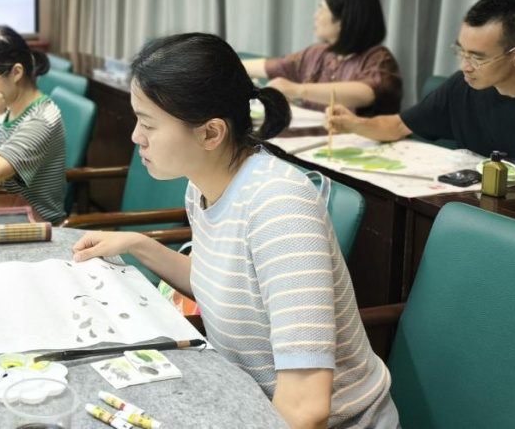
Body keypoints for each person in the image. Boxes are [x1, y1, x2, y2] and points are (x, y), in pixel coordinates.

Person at [73, 33, 398, 428]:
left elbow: (306, 408)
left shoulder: (279, 206)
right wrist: (138, 244)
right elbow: (224, 287)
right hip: (249, 404)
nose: (135, 136)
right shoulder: (203, 185)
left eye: (148, 124)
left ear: (210, 133)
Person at [327, 0, 515, 165]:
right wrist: (353, 124)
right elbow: (398, 126)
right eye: (462, 51)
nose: (465, 66)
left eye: (477, 58)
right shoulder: (462, 87)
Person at [243, 0, 403, 117]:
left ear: (342, 20)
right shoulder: (317, 53)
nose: (316, 15)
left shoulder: (379, 58)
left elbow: (366, 93)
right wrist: (231, 65)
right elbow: (272, 66)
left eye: (321, 9)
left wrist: (297, 90)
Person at [0, 26, 68, 224]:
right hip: (6, 211)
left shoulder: (41, 120)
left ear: (16, 72)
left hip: (37, 225)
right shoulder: (12, 107)